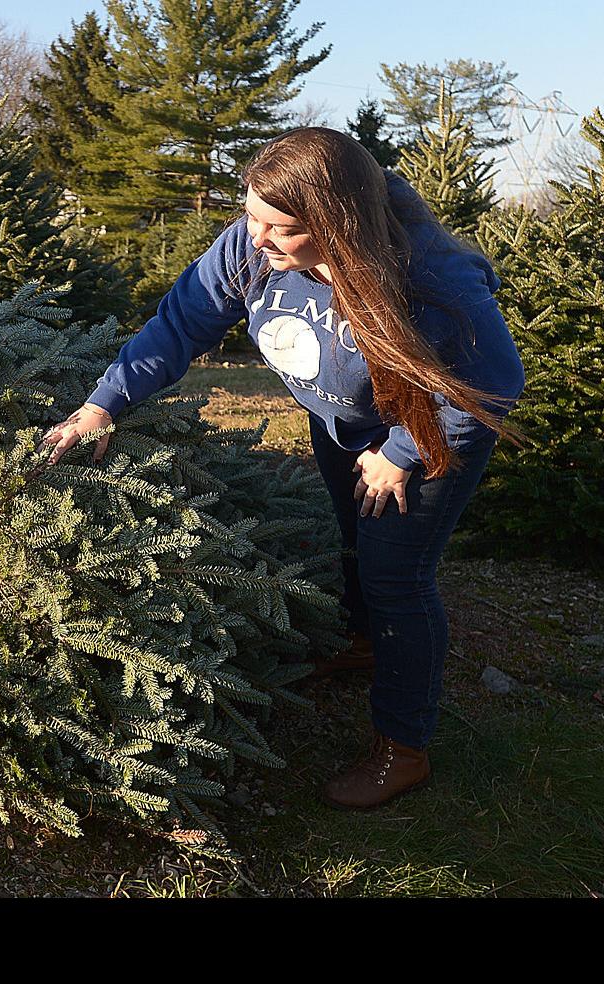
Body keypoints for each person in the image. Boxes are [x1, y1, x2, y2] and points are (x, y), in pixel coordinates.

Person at [42, 127, 525, 809]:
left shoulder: (431, 277)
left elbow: (492, 386)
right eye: (252, 217)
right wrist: (103, 405)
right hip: (341, 427)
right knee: (354, 544)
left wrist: (400, 455)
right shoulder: (250, 247)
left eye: (282, 228)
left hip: (427, 435)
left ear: (339, 224)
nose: (258, 239)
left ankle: (403, 746)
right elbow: (179, 325)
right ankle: (364, 643)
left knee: (397, 576)